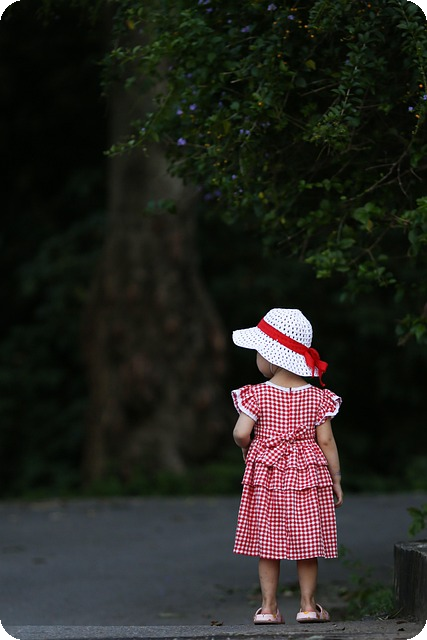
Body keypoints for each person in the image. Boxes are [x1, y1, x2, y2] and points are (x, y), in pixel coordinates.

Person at [231, 308, 343, 625]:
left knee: (268, 544)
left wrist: (247, 447)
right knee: (307, 543)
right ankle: (308, 607)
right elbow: (326, 441)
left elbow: (241, 432)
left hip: (268, 475)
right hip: (308, 476)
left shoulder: (256, 394)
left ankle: (268, 608)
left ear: (270, 357)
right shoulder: (319, 398)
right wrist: (336, 478)